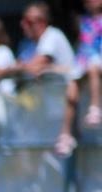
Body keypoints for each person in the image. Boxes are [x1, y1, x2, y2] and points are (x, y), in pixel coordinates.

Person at [56, 0, 102, 157]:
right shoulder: (85, 21)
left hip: (97, 60)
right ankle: (66, 133)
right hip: (85, 59)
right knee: (71, 89)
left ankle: (95, 107)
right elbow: (84, 45)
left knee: (93, 67)